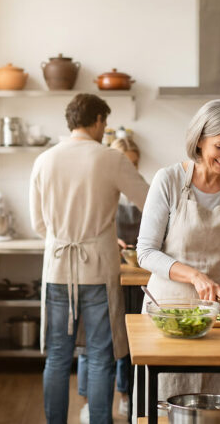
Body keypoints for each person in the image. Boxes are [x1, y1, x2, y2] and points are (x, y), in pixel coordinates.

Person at [30, 93, 148, 424]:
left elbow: (38, 224)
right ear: (97, 120)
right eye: (104, 122)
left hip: (56, 268)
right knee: (99, 357)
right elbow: (150, 203)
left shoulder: (44, 160)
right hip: (97, 268)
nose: (104, 129)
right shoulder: (109, 158)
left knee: (56, 357)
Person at [136, 98, 220, 404]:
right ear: (200, 139)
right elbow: (146, 252)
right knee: (168, 404)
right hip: (169, 312)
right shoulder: (169, 180)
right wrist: (195, 276)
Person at [76, 137, 141, 423]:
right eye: (123, 161)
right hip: (101, 269)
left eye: (132, 163)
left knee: (127, 339)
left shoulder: (141, 189)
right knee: (94, 342)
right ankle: (90, 401)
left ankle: (126, 396)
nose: (127, 167)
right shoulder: (95, 189)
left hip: (134, 272)